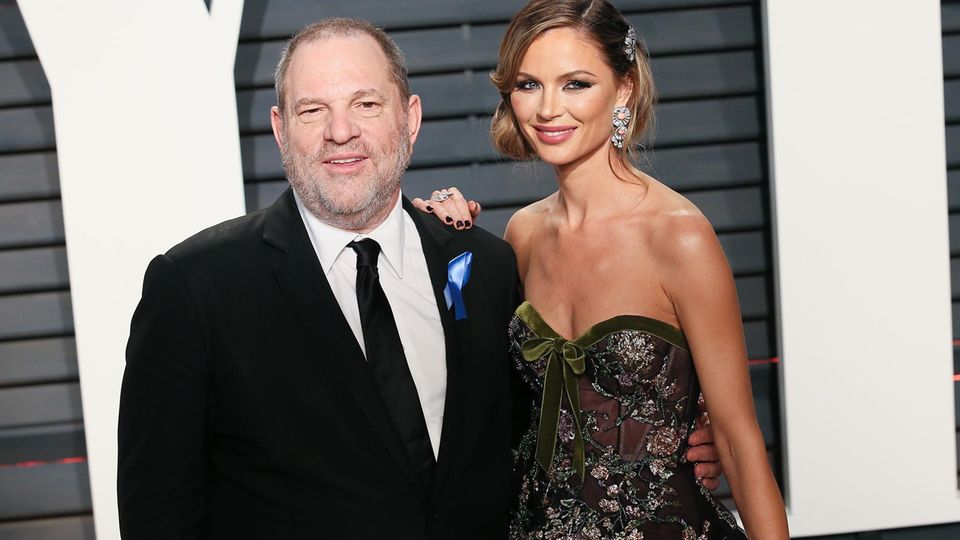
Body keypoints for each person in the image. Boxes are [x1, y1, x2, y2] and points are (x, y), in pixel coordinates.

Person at [117, 16, 722, 540]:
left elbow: (548, 420)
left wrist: (680, 432)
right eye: (313, 110)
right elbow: (157, 516)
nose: (341, 132)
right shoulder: (195, 288)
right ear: (280, 129)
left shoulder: (482, 267)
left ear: (410, 119)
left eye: (366, 103)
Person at [413, 1, 789, 538]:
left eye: (575, 84)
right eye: (527, 84)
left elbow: (737, 439)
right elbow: (492, 403)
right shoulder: (522, 233)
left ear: (625, 88)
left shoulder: (678, 235)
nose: (547, 109)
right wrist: (441, 244)